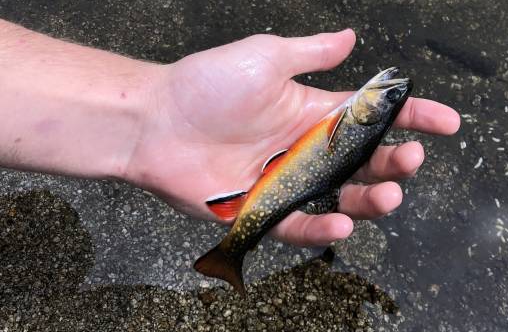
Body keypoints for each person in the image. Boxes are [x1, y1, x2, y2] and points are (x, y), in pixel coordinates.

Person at [0, 22, 460, 247]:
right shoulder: (350, 122)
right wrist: (157, 109)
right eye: (389, 97)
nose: (386, 91)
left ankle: (233, 249)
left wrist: (152, 112)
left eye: (386, 98)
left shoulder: (351, 120)